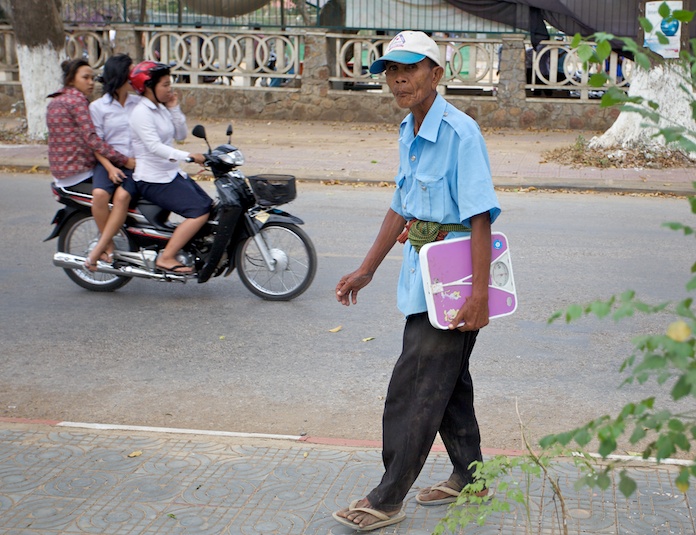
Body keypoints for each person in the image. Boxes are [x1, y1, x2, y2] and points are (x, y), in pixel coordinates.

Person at [333, 31, 501, 532]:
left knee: (414, 386)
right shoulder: (410, 127)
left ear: (436, 73)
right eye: (390, 70)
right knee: (447, 382)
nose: (399, 78)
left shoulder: (460, 133)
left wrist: (479, 295)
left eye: (410, 67)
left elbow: (480, 218)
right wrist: (368, 267)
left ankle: (387, 498)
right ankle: (471, 476)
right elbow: (401, 205)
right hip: (420, 277)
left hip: (455, 281)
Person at [127, 61, 211, 274]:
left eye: (169, 84)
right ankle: (166, 257)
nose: (169, 89)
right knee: (199, 212)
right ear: (148, 87)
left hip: (170, 173)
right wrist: (189, 157)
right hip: (152, 179)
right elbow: (154, 147)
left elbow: (181, 134)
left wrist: (174, 107)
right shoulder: (141, 113)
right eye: (164, 85)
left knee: (209, 206)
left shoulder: (160, 109)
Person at [46, 59, 135, 240]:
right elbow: (92, 140)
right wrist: (123, 160)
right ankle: (107, 243)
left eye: (92, 78)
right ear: (71, 80)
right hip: (80, 171)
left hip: (61, 173)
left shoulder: (56, 99)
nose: (91, 83)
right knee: (122, 193)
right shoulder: (78, 101)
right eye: (85, 78)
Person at [84, 54, 141, 270]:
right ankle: (107, 246)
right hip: (108, 162)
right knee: (99, 195)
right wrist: (109, 167)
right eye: (131, 73)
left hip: (135, 164)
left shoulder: (139, 102)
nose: (135, 77)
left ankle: (97, 250)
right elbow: (96, 143)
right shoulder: (98, 107)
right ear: (120, 76)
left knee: (122, 196)